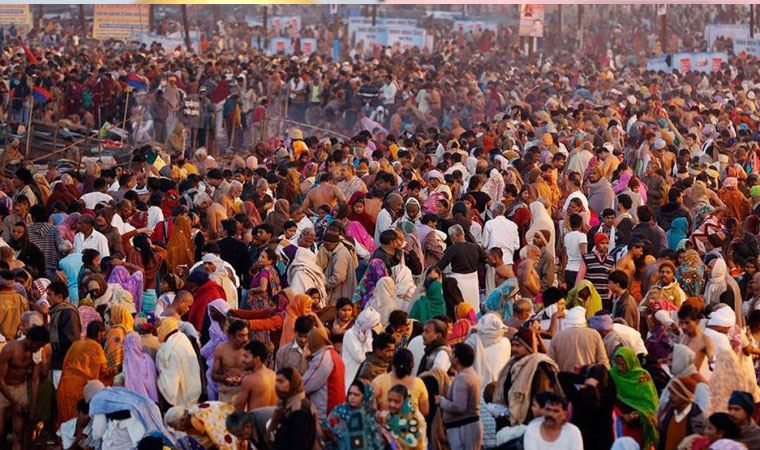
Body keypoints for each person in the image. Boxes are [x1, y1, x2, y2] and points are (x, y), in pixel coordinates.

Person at [494, 328, 562, 427]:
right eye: (512, 345)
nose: (514, 349)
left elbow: (542, 395)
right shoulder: (512, 364)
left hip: (531, 420)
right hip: (511, 418)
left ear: (528, 347)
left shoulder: (539, 366)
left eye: (518, 346)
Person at [0, 325, 49, 450]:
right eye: (38, 346)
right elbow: (0, 380)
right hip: (3, 390)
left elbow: (35, 379)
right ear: (30, 341)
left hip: (20, 389)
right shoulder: (9, 349)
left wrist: (33, 405)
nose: (39, 349)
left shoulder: (35, 352)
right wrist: (13, 402)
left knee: (19, 434)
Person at [56, 321, 110, 423]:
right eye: (103, 333)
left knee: (66, 426)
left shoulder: (76, 343)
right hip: (79, 390)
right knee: (77, 425)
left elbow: (65, 364)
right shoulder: (96, 347)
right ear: (99, 333)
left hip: (63, 385)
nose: (104, 336)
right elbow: (104, 371)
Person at [610, 346, 659, 450]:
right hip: (621, 422)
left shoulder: (642, 376)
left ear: (630, 362)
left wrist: (635, 415)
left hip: (639, 424)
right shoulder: (613, 374)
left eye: (622, 364)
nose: (619, 367)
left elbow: (650, 404)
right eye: (617, 364)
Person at [437, 343, 482, 450]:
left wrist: (441, 401)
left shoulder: (462, 378)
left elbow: (459, 407)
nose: (450, 357)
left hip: (463, 429)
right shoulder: (469, 374)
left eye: (452, 354)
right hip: (466, 427)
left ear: (457, 359)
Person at [323, 380, 386, 450]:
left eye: (356, 394)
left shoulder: (371, 414)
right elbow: (326, 431)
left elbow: (378, 441)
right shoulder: (340, 411)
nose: (352, 397)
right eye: (350, 393)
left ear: (365, 396)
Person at [436, 224, 486, 310]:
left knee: (461, 307)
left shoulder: (453, 249)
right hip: (473, 281)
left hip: (458, 282)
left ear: (454, 237)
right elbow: (483, 259)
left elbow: (440, 266)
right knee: (473, 306)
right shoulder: (475, 246)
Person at [267, 367, 319, 450]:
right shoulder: (286, 405)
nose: (276, 385)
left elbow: (297, 444)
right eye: (276, 381)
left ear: (292, 383)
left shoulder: (299, 411)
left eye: (281, 381)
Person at [155, 317, 202, 408]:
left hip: (181, 399)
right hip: (194, 391)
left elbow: (170, 387)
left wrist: (157, 379)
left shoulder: (167, 351)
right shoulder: (182, 338)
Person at [548, 306, 609, 373]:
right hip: (588, 378)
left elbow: (550, 363)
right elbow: (603, 361)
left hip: (564, 379)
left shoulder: (557, 337)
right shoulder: (594, 334)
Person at [302, 326, 345, 420]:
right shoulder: (332, 354)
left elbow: (305, 385)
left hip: (325, 414)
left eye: (308, 341)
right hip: (335, 412)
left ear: (314, 342)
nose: (307, 345)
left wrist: (303, 359)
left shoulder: (324, 357)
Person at [48, 279, 80, 386]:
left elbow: (71, 339)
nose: (48, 298)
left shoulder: (67, 312)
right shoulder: (56, 311)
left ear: (59, 296)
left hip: (64, 362)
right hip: (57, 361)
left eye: (50, 294)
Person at [341, 307, 381, 388]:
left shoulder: (367, 333)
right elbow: (360, 358)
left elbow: (369, 354)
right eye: (375, 324)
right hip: (349, 372)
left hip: (360, 373)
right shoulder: (350, 334)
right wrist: (368, 341)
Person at [211, 319, 249, 404]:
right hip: (226, 394)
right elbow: (213, 375)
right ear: (231, 336)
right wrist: (223, 378)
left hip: (244, 393)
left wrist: (245, 377)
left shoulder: (250, 350)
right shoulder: (220, 349)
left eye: (246, 335)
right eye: (241, 335)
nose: (245, 339)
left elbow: (258, 372)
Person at [235, 340, 277, 411]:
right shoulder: (274, 375)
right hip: (272, 420)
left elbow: (239, 407)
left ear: (257, 359)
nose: (243, 360)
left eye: (246, 356)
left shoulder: (249, 379)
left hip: (256, 420)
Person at [382, 384, 426, 450]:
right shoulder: (389, 417)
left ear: (405, 401)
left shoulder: (414, 420)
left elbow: (417, 445)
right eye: (390, 400)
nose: (392, 404)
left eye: (397, 401)